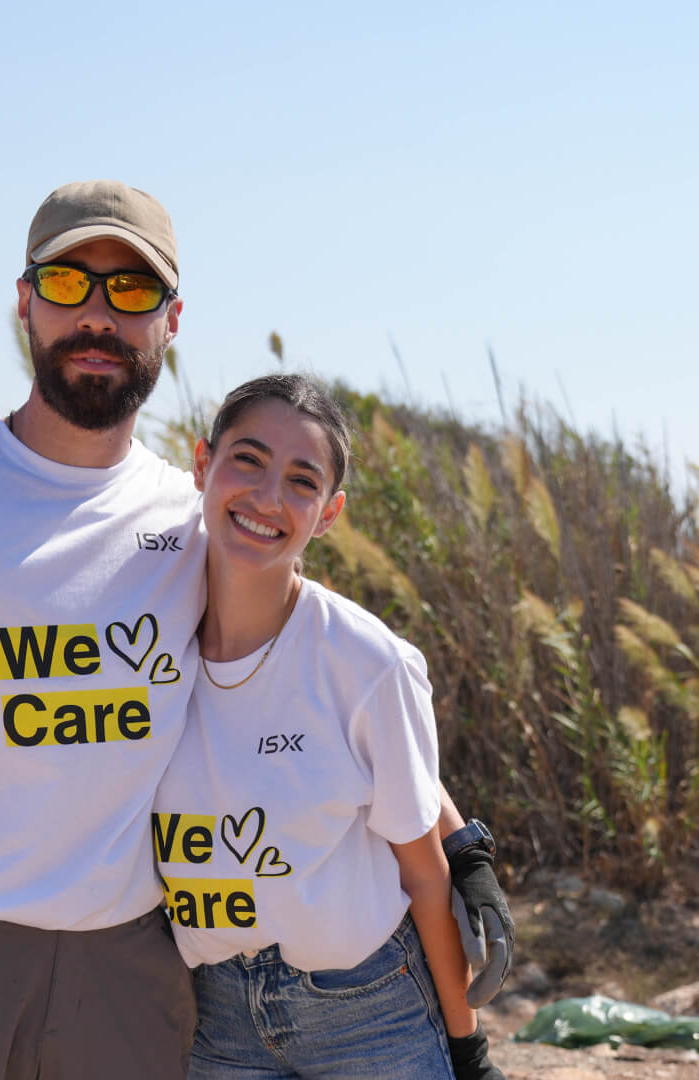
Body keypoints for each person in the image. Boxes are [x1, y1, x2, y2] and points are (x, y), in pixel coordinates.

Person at [0, 180, 511, 1080]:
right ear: (26, 302)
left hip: (132, 969)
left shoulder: (198, 517)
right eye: (71, 284)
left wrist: (457, 842)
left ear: (171, 320)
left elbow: (335, 678)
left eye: (132, 292)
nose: (99, 316)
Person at [152, 373, 505, 1078]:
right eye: (247, 460)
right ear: (201, 463)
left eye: (302, 480)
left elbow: (426, 879)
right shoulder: (141, 635)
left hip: (370, 1009)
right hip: (213, 1015)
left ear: (330, 511)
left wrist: (469, 1050)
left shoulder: (366, 662)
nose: (267, 497)